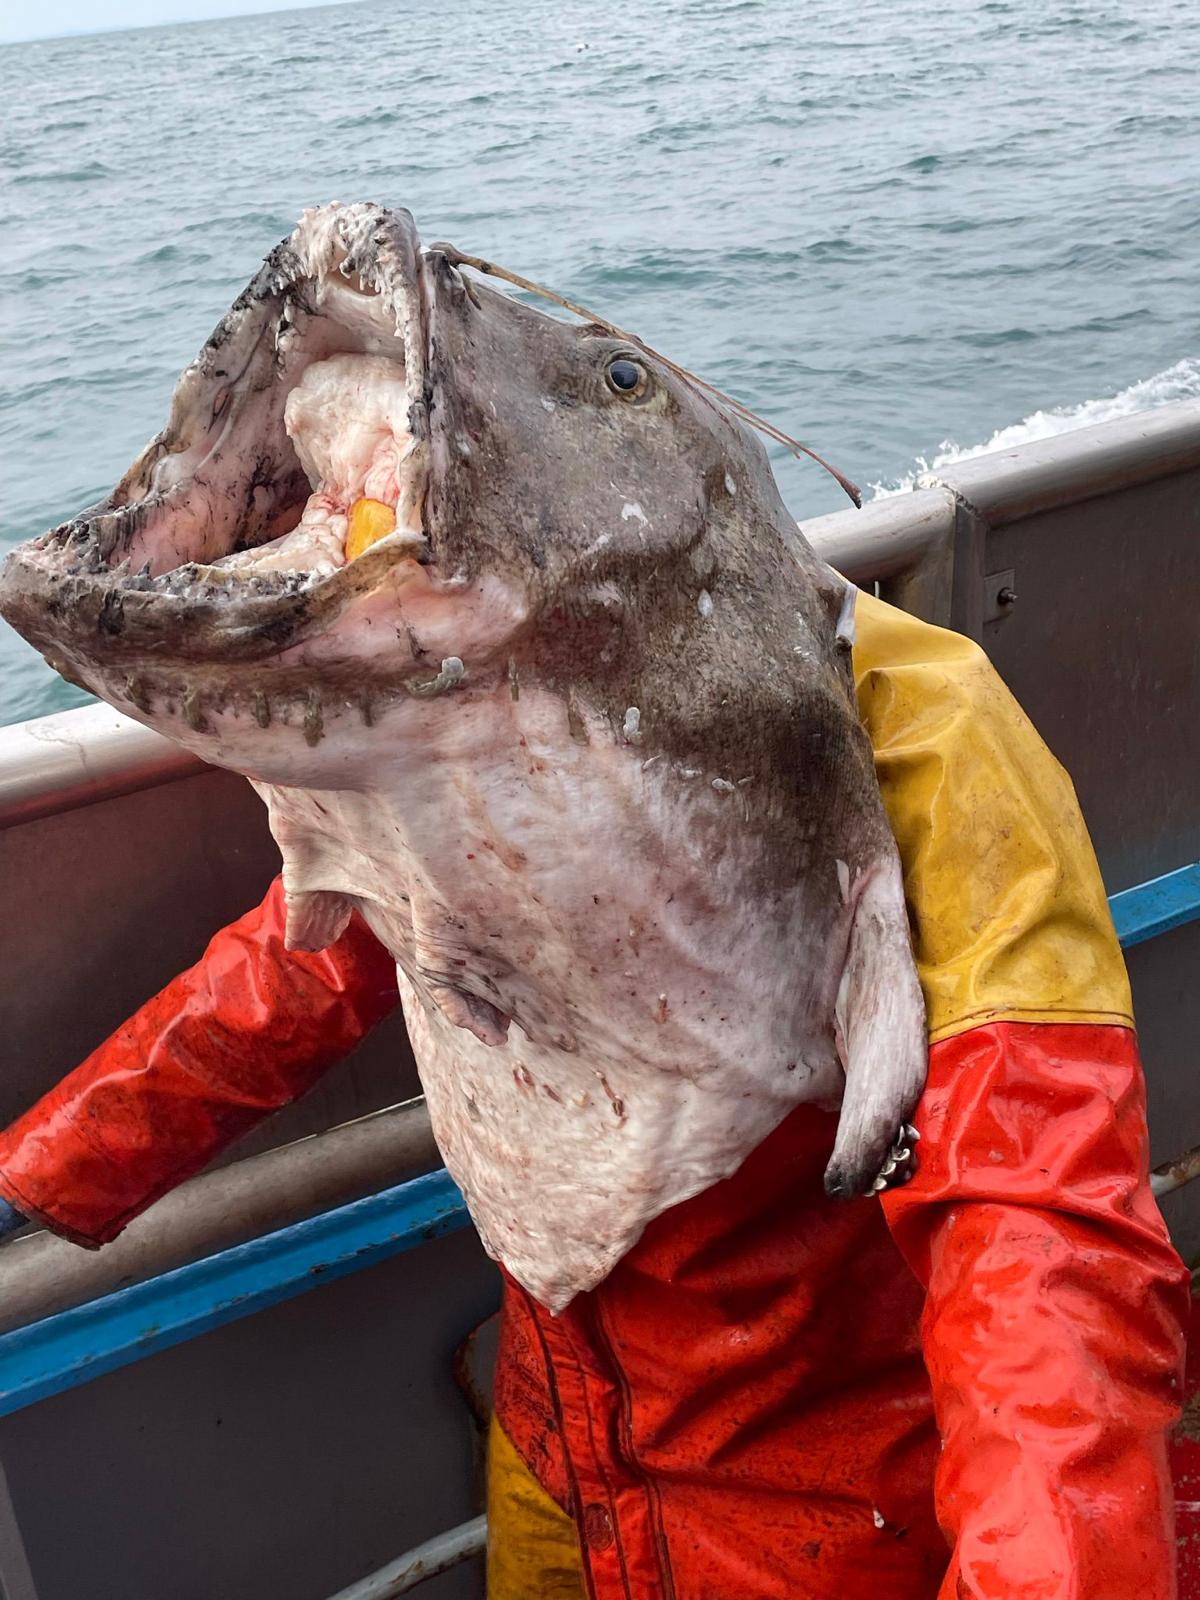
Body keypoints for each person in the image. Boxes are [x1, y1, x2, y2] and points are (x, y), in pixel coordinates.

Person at [0, 593, 1187, 1600]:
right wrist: (38, 1175)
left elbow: (1038, 1238)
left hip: (819, 1481)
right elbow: (312, 953)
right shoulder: (461, 709)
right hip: (557, 1428)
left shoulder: (915, 718)